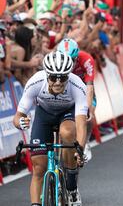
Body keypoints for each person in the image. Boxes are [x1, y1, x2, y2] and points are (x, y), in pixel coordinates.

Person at [13, 51, 88, 206]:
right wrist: (21, 122)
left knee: (67, 133)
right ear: (47, 75)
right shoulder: (36, 82)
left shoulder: (78, 85)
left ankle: (72, 187)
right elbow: (17, 116)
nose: (58, 82)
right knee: (39, 168)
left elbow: (81, 123)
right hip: (44, 115)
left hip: (67, 113)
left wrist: (80, 149)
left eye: (63, 78)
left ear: (69, 75)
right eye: (54, 77)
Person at [57, 38, 96, 161]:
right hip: (65, 88)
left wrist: (89, 108)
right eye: (65, 60)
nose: (70, 64)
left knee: (88, 115)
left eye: (73, 60)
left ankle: (86, 141)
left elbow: (89, 87)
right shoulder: (54, 61)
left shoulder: (87, 59)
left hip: (83, 89)